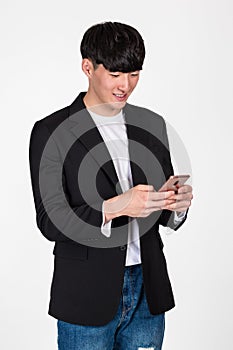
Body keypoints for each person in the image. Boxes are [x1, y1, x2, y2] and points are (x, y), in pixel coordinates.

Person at [29, 21, 193, 350]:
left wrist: (175, 206)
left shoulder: (151, 124)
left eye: (133, 74)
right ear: (87, 67)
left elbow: (160, 209)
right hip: (85, 295)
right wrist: (115, 206)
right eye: (115, 74)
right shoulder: (51, 131)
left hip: (148, 291)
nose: (126, 85)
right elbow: (50, 219)